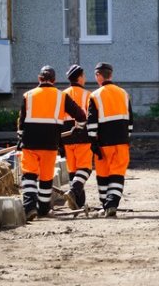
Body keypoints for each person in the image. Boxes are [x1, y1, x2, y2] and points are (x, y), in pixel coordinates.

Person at [17, 65, 86, 221]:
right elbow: (81, 115)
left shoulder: (28, 95)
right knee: (46, 178)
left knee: (29, 176)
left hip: (30, 142)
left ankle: (29, 208)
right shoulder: (61, 96)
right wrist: (78, 128)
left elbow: (21, 123)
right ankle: (43, 209)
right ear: (54, 80)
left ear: (39, 79)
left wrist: (20, 137)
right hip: (50, 143)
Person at [86, 62, 133, 218]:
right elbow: (131, 122)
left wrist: (93, 143)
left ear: (99, 75)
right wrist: (126, 138)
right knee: (117, 175)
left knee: (103, 175)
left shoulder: (94, 96)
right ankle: (112, 204)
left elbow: (91, 124)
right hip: (121, 141)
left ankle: (105, 205)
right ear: (111, 75)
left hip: (103, 143)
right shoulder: (124, 94)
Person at [60, 64, 92, 211]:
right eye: (84, 76)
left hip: (66, 137)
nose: (85, 78)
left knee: (74, 172)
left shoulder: (62, 95)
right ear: (79, 77)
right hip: (82, 135)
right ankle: (73, 192)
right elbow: (90, 117)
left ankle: (77, 204)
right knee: (85, 168)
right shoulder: (87, 95)